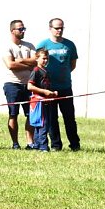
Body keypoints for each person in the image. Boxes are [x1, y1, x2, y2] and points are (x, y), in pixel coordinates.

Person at [36, 18, 81, 151]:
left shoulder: (69, 45)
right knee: (52, 119)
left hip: (65, 87)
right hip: (49, 89)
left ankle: (75, 144)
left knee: (69, 117)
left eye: (61, 28)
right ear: (50, 28)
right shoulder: (43, 44)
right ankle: (56, 145)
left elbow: (72, 64)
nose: (59, 30)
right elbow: (38, 63)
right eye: (56, 28)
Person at [2, 19, 37, 150]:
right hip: (12, 84)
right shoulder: (7, 47)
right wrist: (28, 65)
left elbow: (36, 61)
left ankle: (30, 143)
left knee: (30, 114)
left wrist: (20, 60)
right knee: (13, 114)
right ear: (13, 31)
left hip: (29, 85)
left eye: (24, 29)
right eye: (20, 29)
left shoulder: (29, 46)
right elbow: (10, 65)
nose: (23, 31)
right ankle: (15, 143)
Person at [27, 49, 58, 152]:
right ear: (37, 58)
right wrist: (44, 91)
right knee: (43, 124)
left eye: (47, 59)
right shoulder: (36, 71)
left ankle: (37, 145)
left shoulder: (46, 71)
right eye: (43, 58)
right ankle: (43, 146)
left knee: (42, 123)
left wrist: (52, 93)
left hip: (46, 101)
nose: (45, 60)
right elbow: (30, 86)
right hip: (38, 102)